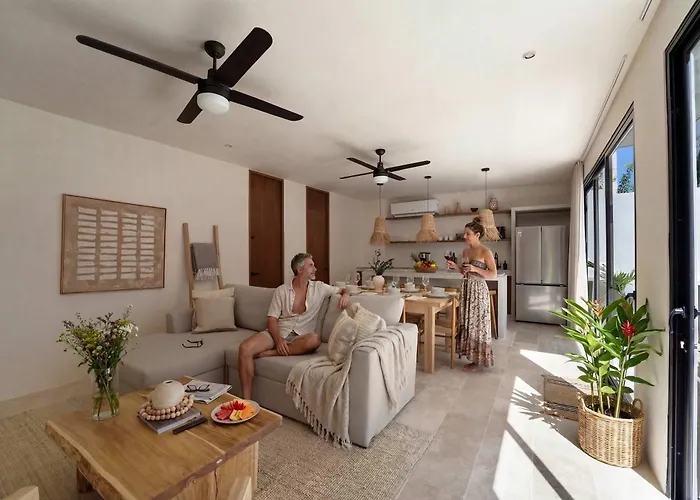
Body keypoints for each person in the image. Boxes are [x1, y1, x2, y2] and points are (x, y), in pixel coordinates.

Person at [237, 252, 351, 399]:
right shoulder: (281, 290)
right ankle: (246, 401)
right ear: (300, 270)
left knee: (315, 340)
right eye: (311, 265)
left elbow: (344, 289)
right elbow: (272, 320)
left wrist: (346, 295)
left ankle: (272, 353)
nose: (315, 269)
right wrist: (278, 340)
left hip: (301, 337)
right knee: (245, 348)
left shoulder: (320, 288)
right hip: (279, 332)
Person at [445, 217, 497, 371]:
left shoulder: (485, 251)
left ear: (477, 235)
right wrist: (455, 267)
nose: (465, 236)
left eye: (468, 234)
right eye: (465, 233)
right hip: (467, 288)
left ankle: (478, 360)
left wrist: (476, 269)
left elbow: (493, 274)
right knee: (468, 323)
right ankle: (470, 356)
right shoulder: (465, 251)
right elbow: (465, 272)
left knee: (478, 325)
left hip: (479, 291)